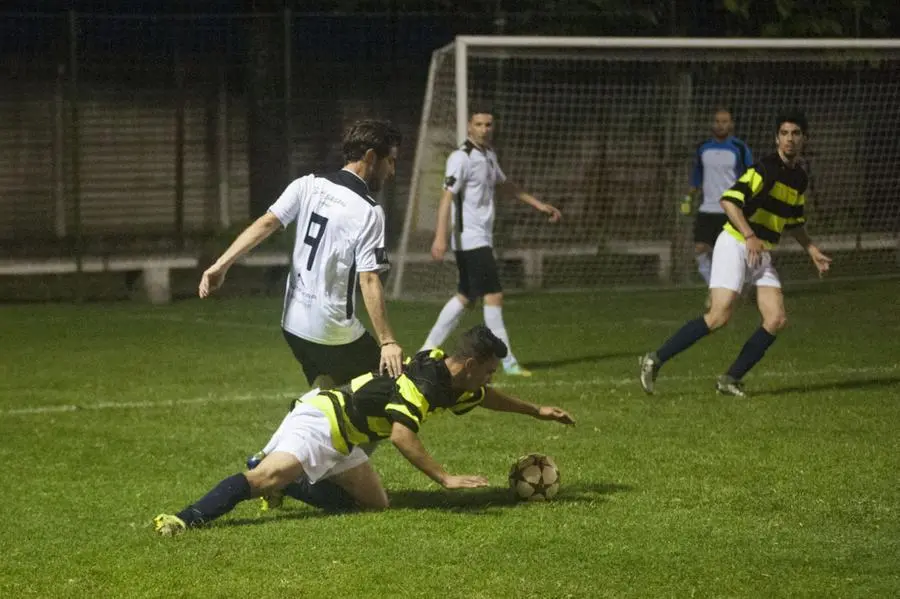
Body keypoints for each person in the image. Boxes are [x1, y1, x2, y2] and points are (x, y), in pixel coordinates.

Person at [153, 325, 575, 535]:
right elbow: (402, 436)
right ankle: (185, 519)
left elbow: (487, 397)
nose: (489, 379)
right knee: (265, 476)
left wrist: (537, 411)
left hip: (348, 437)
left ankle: (290, 487)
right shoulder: (424, 385)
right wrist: (444, 477)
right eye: (487, 371)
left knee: (375, 505)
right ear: (469, 366)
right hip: (322, 421)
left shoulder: (452, 378)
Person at [639, 109, 832, 398]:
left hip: (761, 252)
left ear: (805, 138)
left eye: (795, 134)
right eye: (784, 133)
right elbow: (729, 201)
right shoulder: (764, 169)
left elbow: (794, 221)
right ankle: (654, 359)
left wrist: (812, 249)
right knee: (718, 316)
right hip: (735, 243)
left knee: (776, 318)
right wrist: (750, 235)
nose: (789, 139)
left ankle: (730, 378)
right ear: (776, 138)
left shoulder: (799, 178)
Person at [198, 119, 404, 386]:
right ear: (370, 157)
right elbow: (369, 279)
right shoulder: (369, 211)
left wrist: (220, 265)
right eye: (391, 161)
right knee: (391, 392)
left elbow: (266, 223)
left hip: (293, 325)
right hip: (332, 330)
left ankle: (304, 416)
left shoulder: (307, 184)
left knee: (328, 392)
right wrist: (387, 341)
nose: (392, 171)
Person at [420, 109, 562, 377]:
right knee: (493, 295)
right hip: (470, 238)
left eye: (488, 124)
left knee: (466, 296)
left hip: (480, 238)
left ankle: (425, 351)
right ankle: (507, 362)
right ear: (469, 127)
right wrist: (440, 236)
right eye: (479, 124)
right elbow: (446, 198)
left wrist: (539, 205)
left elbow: (506, 185)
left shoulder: (488, 156)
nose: (485, 129)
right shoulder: (461, 158)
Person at [682, 108, 753, 284]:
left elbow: (750, 176)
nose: (720, 125)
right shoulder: (703, 148)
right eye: (717, 121)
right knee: (700, 249)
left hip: (731, 210)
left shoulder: (739, 148)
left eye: (724, 122)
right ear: (712, 124)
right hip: (707, 209)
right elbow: (697, 176)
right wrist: (688, 198)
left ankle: (746, 283)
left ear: (731, 125)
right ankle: (714, 286)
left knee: (732, 253)